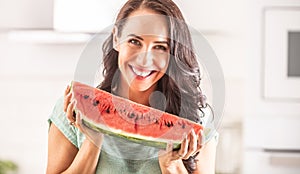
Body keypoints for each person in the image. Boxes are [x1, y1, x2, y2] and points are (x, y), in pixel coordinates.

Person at [47, 0, 218, 173]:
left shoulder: (197, 120)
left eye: (160, 47)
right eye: (135, 42)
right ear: (116, 38)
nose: (144, 60)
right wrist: (93, 141)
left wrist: (171, 165)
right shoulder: (72, 109)